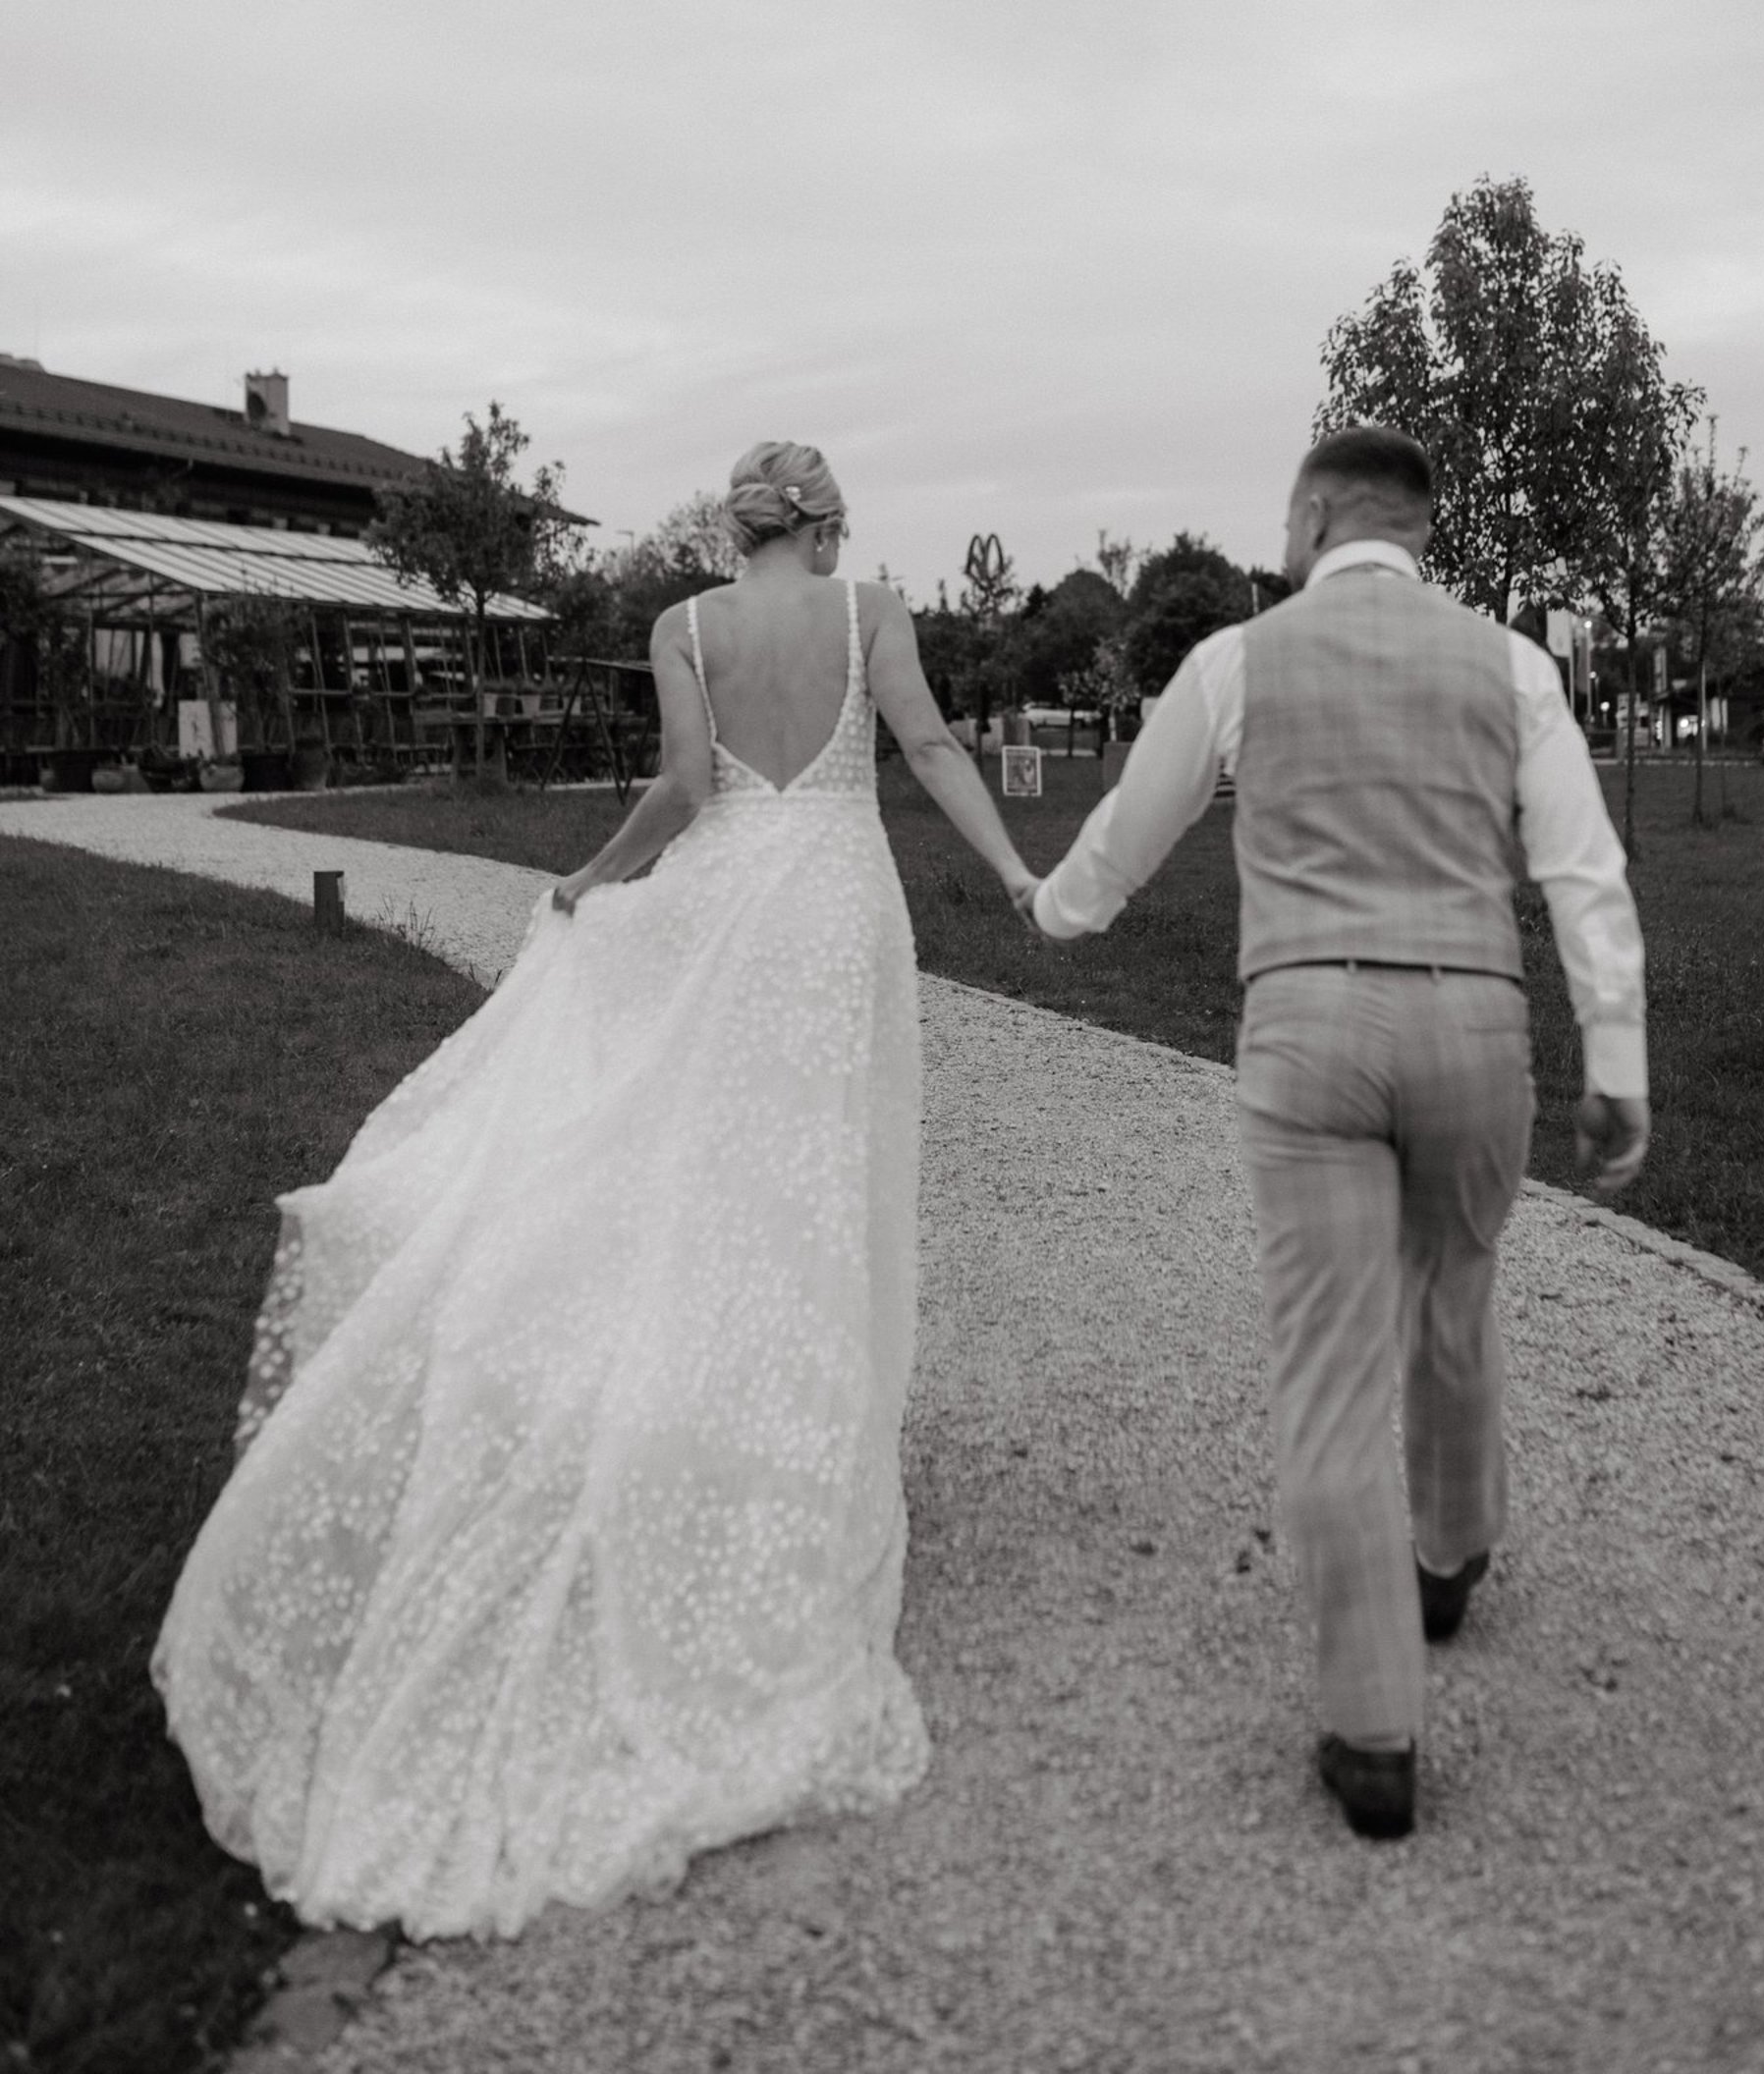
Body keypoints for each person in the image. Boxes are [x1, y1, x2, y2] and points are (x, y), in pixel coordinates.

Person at [155, 440, 1039, 1938]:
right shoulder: (874, 609)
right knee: (817, 1176)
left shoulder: (679, 628)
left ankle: (700, 1413)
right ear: (822, 529)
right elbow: (936, 753)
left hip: (733, 905)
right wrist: (1018, 875)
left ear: (737, 529)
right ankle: (797, 1441)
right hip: (833, 911)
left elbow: (687, 791)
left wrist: (593, 877)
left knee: (709, 1163)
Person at [1023, 426, 1648, 1842]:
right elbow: (1581, 870)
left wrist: (1058, 912)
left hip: (1307, 1033)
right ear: (1423, 532)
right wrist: (1617, 1054)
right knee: (1456, 1300)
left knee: (1326, 1367)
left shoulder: (1241, 660)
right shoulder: (1513, 666)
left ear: (1313, 517)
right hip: (1477, 1028)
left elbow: (1130, 827)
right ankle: (1450, 1553)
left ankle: (1374, 1734)